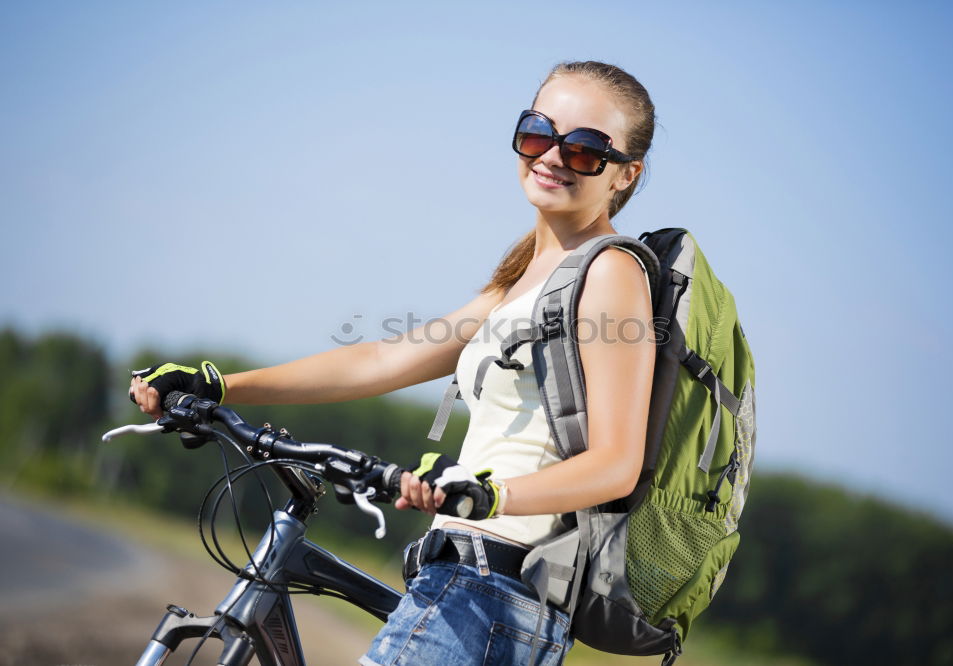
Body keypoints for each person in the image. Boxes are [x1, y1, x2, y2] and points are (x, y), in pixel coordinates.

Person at [130, 60, 657, 666]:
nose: (554, 156)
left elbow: (617, 464)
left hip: (493, 596)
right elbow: (381, 361)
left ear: (625, 174)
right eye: (539, 132)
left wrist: (490, 496)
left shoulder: (613, 273)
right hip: (461, 585)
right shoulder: (527, 274)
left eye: (586, 149)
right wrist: (220, 384)